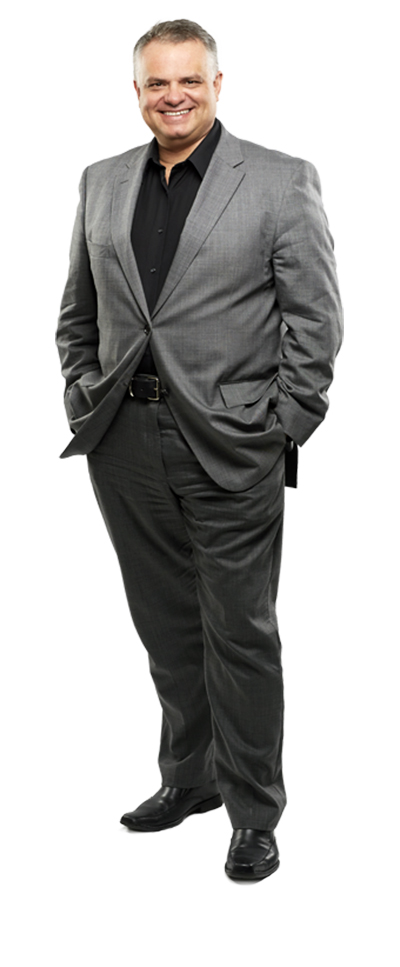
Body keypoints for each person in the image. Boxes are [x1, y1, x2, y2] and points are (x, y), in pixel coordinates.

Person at [56, 19, 343, 881]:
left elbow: (316, 320)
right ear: (137, 92)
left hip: (232, 442)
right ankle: (190, 779)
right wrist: (81, 390)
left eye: (189, 79)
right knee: (167, 626)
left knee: (240, 633)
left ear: (219, 84)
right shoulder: (102, 180)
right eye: (157, 82)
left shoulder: (280, 180)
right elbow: (77, 312)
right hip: (123, 440)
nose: (172, 95)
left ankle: (254, 812)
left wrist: (282, 423)